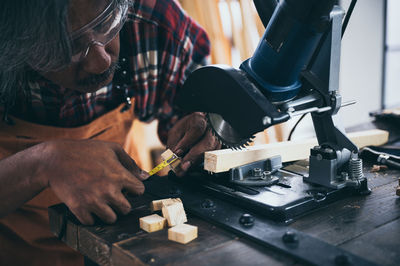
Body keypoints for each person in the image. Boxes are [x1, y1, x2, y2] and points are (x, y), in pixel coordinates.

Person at [0, 0, 220, 265]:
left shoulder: (153, 21)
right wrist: (41, 164)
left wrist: (207, 130)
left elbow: (203, 117)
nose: (101, 62)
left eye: (106, 24)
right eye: (66, 47)